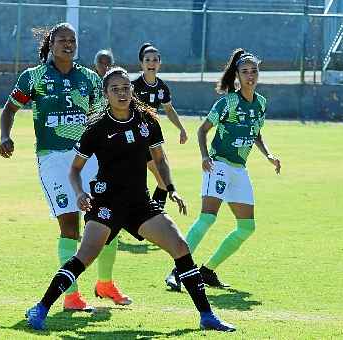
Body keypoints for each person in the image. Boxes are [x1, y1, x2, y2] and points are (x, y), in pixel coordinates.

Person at [24, 67, 236, 332]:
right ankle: (41, 308)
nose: (122, 93)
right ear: (106, 94)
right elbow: (75, 169)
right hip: (105, 203)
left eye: (125, 88)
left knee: (180, 247)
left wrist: (170, 188)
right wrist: (79, 193)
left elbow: (159, 160)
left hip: (139, 204)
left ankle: (207, 316)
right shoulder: (96, 127)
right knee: (84, 257)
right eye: (115, 89)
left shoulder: (147, 121)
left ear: (131, 90)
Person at [0, 23, 131, 311]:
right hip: (53, 160)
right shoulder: (33, 78)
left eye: (72, 40)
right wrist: (5, 135)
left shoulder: (90, 79)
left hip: (88, 158)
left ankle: (105, 283)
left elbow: (102, 117)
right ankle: (71, 297)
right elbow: (9, 109)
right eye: (62, 40)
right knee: (69, 226)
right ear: (51, 43)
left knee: (107, 222)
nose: (68, 44)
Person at [165, 49, 281, 292]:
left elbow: (255, 133)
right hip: (218, 164)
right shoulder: (227, 102)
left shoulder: (261, 103)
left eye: (254, 71)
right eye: (245, 72)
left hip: (239, 169)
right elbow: (202, 130)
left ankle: (207, 270)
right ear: (237, 76)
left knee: (247, 227)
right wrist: (205, 157)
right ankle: (176, 272)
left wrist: (268, 155)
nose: (250, 76)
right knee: (208, 217)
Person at [132, 43, 188, 208]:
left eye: (155, 60)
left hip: (152, 137)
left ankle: (155, 214)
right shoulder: (133, 87)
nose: (151, 63)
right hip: (134, 138)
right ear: (141, 64)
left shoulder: (162, 87)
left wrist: (182, 128)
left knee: (164, 179)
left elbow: (169, 110)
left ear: (159, 63)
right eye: (147, 60)